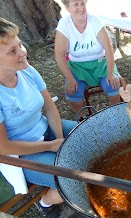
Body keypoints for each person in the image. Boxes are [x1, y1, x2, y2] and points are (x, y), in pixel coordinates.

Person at [0, 18, 77, 217]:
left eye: (20, 45)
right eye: (12, 51)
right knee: (75, 177)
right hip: (21, 153)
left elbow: (50, 109)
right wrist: (52, 147)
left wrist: (60, 141)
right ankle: (45, 202)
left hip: (46, 129)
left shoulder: (27, 70)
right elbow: (4, 147)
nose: (23, 52)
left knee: (90, 135)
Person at [54, 0, 120, 121]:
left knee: (113, 86)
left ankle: (115, 114)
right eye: (76, 4)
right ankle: (81, 118)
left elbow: (108, 47)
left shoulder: (94, 20)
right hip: (77, 67)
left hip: (100, 63)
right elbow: (59, 54)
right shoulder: (65, 24)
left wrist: (111, 74)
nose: (81, 8)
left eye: (82, 3)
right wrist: (70, 79)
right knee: (72, 92)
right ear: (67, 7)